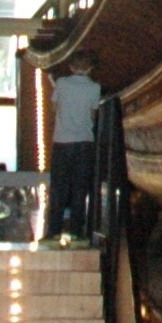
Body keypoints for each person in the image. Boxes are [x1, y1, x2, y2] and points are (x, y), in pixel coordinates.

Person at [46, 63, 101, 241]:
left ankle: (54, 231)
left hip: (62, 141)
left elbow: (53, 107)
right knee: (80, 189)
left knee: (58, 188)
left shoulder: (61, 83)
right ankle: (77, 232)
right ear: (90, 68)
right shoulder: (95, 87)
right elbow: (93, 114)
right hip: (84, 142)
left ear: (71, 67)